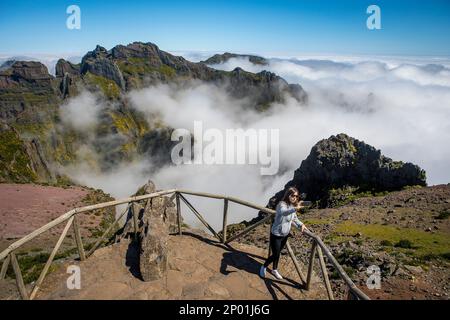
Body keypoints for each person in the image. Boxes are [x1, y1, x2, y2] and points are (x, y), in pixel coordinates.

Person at [260, 187, 307, 280]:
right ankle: (264, 266)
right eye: (292, 195)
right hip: (276, 234)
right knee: (276, 254)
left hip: (285, 235)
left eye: (296, 196)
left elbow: (294, 219)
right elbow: (283, 212)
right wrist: (295, 208)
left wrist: (302, 225)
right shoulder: (282, 204)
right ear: (288, 195)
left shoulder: (292, 206)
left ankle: (274, 270)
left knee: (278, 253)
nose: (294, 197)